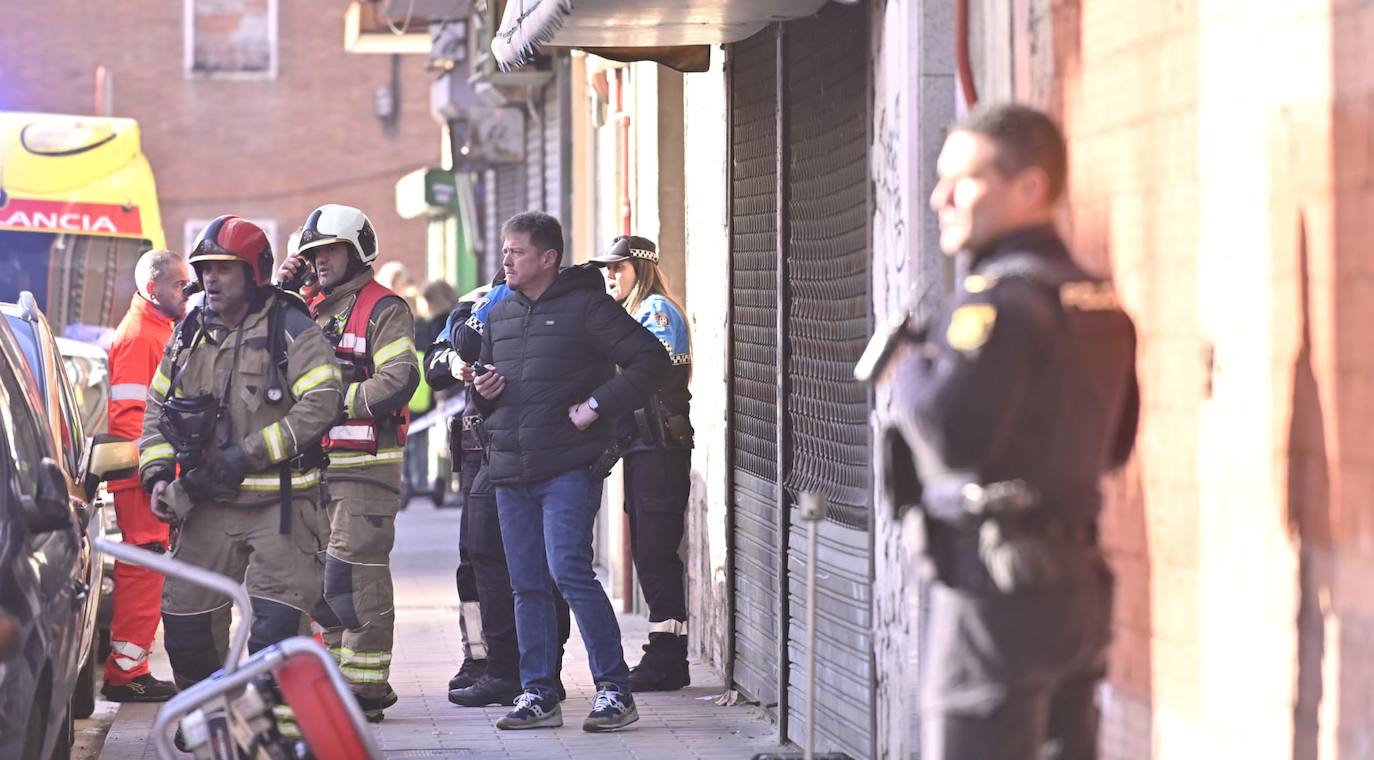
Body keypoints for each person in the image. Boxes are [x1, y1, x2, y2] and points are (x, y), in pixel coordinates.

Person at [880, 103, 1139, 759]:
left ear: (1028, 188)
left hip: (997, 596)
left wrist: (906, 369)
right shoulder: (1095, 298)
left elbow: (948, 435)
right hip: (1075, 589)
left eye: (963, 181)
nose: (940, 197)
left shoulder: (998, 300)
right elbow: (1116, 444)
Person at [472, 211, 668, 732]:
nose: (506, 259)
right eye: (505, 250)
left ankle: (614, 689)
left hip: (568, 466)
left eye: (516, 251)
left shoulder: (588, 307)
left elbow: (651, 360)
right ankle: (537, 692)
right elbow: (485, 392)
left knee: (569, 570)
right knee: (527, 583)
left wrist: (598, 405)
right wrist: (481, 393)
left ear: (548, 258)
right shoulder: (498, 312)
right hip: (511, 468)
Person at [138, 216, 342, 695]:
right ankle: (211, 715)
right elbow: (156, 409)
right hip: (206, 503)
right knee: (185, 621)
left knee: (275, 635)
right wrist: (159, 472)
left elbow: (323, 403)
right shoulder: (189, 333)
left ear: (254, 273)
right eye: (205, 268)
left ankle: (277, 728)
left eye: (224, 268)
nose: (210, 278)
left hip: (281, 509)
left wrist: (249, 454)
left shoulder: (291, 327)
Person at [276, 204, 420, 721]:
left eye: (329, 251)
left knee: (353, 579)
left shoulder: (385, 308)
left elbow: (400, 377)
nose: (318, 262)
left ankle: (366, 690)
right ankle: (339, 683)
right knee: (318, 584)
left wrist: (334, 402)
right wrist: (281, 288)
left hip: (365, 469)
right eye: (311, 254)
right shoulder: (306, 308)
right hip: (312, 470)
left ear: (357, 249)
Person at [425, 276, 573, 709]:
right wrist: (459, 365)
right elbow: (433, 366)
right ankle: (480, 659)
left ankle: (544, 669)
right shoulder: (475, 305)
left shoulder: (554, 309)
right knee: (476, 560)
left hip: (529, 448)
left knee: (542, 565)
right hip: (477, 452)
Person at [591, 235, 694, 691]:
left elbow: (641, 373)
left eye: (619, 268)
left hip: (659, 449)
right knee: (648, 550)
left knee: (655, 551)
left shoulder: (655, 312)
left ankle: (668, 658)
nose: (610, 276)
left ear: (642, 269)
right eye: (607, 269)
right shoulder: (632, 314)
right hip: (642, 447)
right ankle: (664, 652)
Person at [101, 249, 192, 703]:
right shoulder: (141, 336)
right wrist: (159, 471)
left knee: (148, 567)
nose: (188, 292)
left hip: (148, 471)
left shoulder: (157, 329)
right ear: (155, 289)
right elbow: (131, 416)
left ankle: (130, 666)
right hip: (143, 475)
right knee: (144, 567)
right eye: (181, 285)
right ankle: (125, 671)